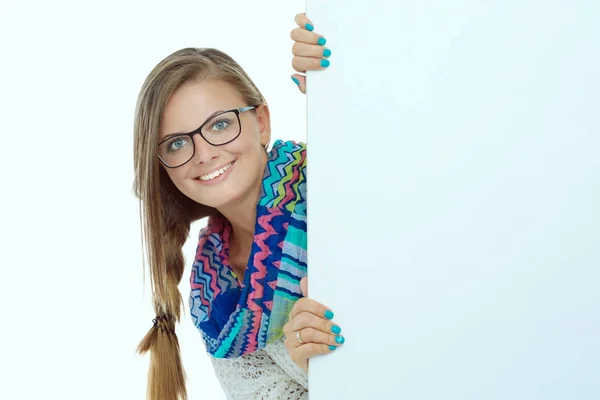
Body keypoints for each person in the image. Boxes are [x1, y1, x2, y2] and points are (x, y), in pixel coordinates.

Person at [133, 12, 342, 400]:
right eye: (177, 143)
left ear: (261, 122)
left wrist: (344, 74)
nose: (204, 154)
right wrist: (320, 373)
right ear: (163, 168)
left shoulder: (338, 182)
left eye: (219, 125)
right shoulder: (214, 297)